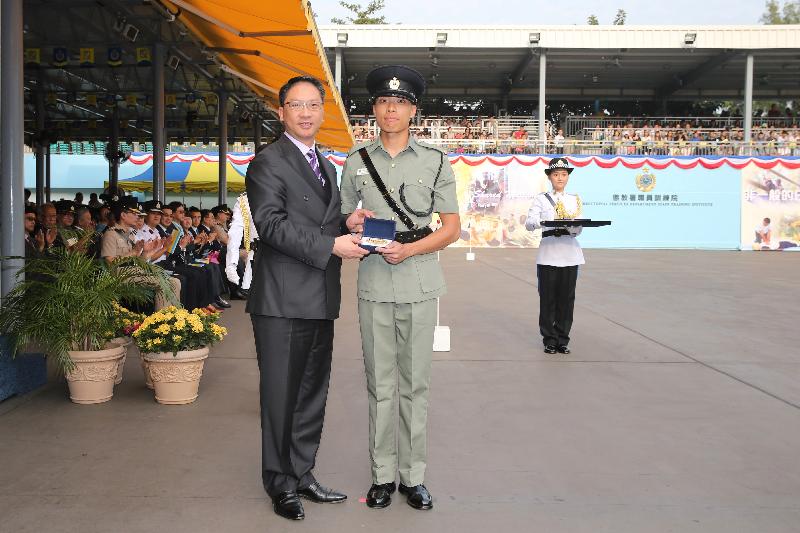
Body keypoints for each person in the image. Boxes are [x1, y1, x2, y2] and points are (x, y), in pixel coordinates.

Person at [245, 74, 372, 521]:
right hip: (281, 300)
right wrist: (331, 246)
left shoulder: (326, 163)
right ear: (281, 113)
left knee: (311, 392)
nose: (305, 113)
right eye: (296, 105)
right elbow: (271, 224)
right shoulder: (267, 162)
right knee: (281, 394)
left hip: (319, 294)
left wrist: (348, 222)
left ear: (322, 111)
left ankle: (302, 473)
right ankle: (280, 484)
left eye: (313, 105)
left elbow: (321, 220)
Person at [339, 65, 461, 511]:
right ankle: (382, 476)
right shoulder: (356, 161)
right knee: (379, 384)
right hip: (373, 282)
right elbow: (340, 217)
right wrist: (349, 220)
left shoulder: (436, 160)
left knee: (415, 384)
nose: (391, 109)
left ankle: (414, 476)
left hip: (420, 280)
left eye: (401, 103)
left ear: (413, 110)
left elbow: (451, 228)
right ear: (373, 109)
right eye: (383, 102)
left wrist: (409, 251)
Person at [525, 157, 584, 355]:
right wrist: (546, 221)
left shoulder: (574, 199)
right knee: (548, 299)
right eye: (556, 174)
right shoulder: (541, 199)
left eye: (564, 174)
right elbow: (529, 223)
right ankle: (549, 339)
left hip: (570, 254)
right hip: (549, 254)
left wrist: (573, 227)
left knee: (567, 301)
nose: (560, 178)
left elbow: (578, 229)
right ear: (550, 177)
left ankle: (562, 340)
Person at [224, 195, 256, 299]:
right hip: (257, 255)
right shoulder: (244, 201)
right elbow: (235, 232)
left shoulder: (287, 192)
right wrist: (231, 265)